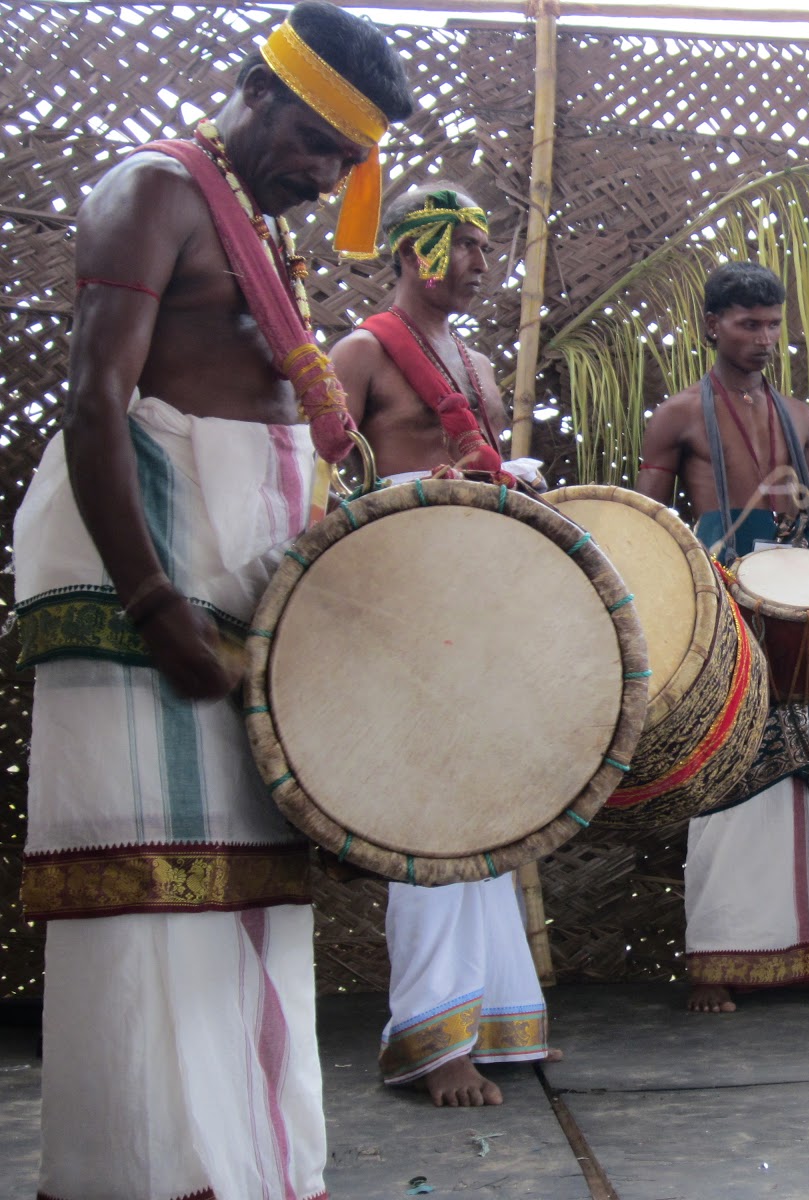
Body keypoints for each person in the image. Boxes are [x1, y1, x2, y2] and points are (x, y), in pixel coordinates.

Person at [11, 3, 413, 1195]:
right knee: (151, 906)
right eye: (310, 139)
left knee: (244, 906)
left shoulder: (254, 231)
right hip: (146, 594)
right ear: (253, 86)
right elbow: (94, 402)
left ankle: (248, 1173)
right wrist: (149, 598)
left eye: (344, 159)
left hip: (232, 596)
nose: (322, 170)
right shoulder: (152, 191)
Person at [329, 182, 554, 1107]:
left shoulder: (475, 362)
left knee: (486, 808)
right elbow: (314, 489)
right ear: (416, 248)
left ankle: (498, 1017)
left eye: (485, 247)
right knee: (427, 814)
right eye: (464, 246)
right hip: (405, 601)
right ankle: (429, 1044)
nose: (480, 262)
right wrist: (421, 487)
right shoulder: (361, 352)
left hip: (478, 600)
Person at [636, 261, 809, 1014]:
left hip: (795, 602)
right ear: (712, 326)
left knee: (798, 781)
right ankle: (716, 962)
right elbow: (651, 530)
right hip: (722, 608)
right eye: (747, 323)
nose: (763, 338)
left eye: (772, 323)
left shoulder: (800, 416)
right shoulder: (680, 416)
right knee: (723, 773)